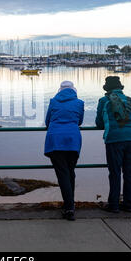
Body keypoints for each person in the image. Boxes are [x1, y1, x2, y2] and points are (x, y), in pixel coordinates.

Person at [95, 76, 131, 213]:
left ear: (107, 89)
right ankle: (128, 205)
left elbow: (99, 122)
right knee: (130, 173)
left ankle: (114, 205)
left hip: (114, 140)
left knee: (115, 173)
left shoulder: (104, 100)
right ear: (120, 88)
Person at [44, 81, 84, 221]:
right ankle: (70, 205)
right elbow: (80, 121)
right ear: (74, 90)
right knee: (70, 172)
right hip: (73, 140)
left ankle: (69, 208)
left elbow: (47, 121)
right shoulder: (79, 103)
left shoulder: (53, 101)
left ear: (59, 90)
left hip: (56, 140)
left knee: (63, 174)